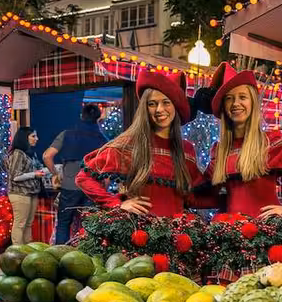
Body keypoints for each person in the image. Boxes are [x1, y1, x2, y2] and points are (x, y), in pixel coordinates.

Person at [75, 70, 214, 217]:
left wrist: (231, 194)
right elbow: (84, 177)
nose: (160, 109)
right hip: (139, 232)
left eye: (166, 102)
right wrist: (117, 204)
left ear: (176, 106)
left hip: (178, 232)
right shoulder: (129, 144)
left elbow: (191, 198)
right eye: (152, 104)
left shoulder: (186, 149)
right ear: (145, 109)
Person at [202, 62, 282, 218]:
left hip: (266, 232)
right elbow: (205, 196)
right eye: (229, 98)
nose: (236, 103)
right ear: (224, 106)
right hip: (230, 233)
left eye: (242, 97)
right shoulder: (218, 151)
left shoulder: (272, 142)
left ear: (253, 103)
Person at [43, 104, 108, 244]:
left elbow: (47, 156)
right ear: (98, 119)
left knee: (63, 224)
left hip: (69, 186)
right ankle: (88, 259)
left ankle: (60, 257)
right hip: (92, 189)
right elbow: (107, 169)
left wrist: (55, 174)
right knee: (91, 226)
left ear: (81, 116)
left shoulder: (66, 134)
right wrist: (104, 187)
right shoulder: (103, 140)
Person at [7, 127, 47, 245]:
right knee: (20, 223)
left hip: (31, 192)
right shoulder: (17, 154)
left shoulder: (30, 153)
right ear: (25, 138)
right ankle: (17, 250)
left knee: (28, 223)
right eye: (33, 136)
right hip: (20, 193)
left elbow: (37, 169)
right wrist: (34, 174)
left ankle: (27, 250)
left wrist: (53, 169)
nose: (37, 139)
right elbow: (15, 176)